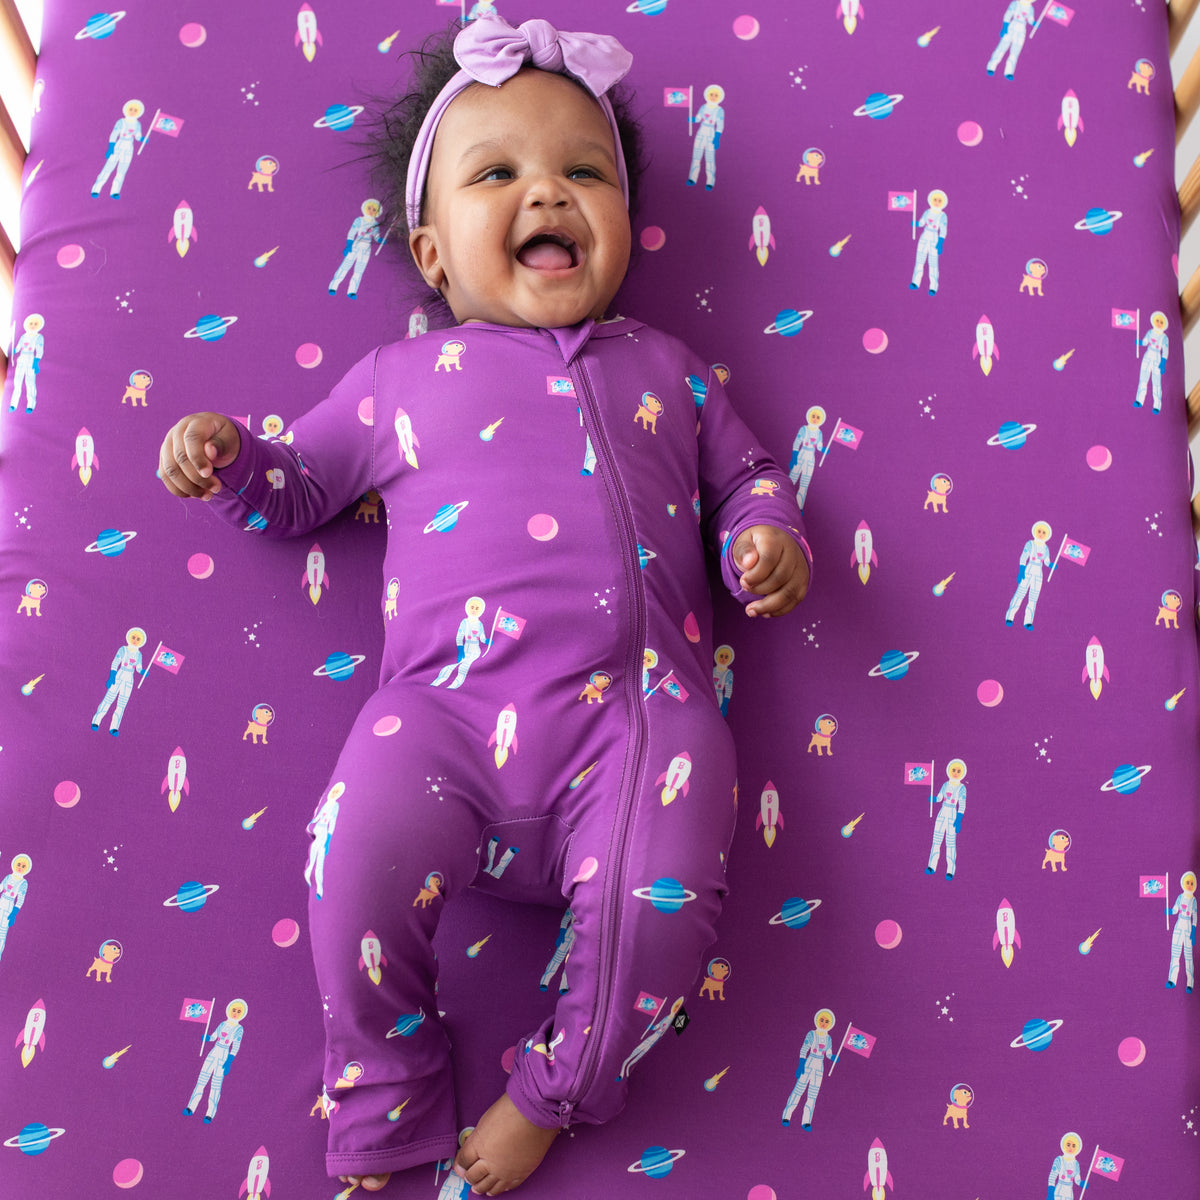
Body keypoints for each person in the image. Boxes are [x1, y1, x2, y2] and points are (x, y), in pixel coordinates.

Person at [158, 16, 810, 1196]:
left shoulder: (668, 369)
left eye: (583, 172)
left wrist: (767, 536)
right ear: (434, 254)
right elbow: (299, 492)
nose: (547, 192)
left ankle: (556, 1090)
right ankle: (386, 1084)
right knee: (350, 862)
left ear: (624, 224)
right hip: (444, 720)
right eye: (497, 173)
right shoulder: (398, 382)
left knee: (662, 915)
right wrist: (234, 460)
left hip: (637, 724)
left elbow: (750, 477)